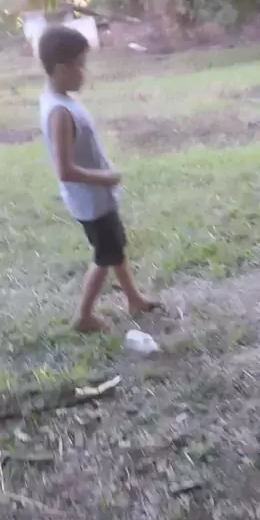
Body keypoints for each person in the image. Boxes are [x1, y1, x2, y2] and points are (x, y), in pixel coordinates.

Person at [38, 24, 162, 332]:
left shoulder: (61, 100)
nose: (85, 72)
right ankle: (84, 316)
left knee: (114, 249)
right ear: (62, 69)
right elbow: (65, 170)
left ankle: (134, 298)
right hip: (91, 200)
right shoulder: (59, 113)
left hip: (94, 197)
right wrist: (105, 178)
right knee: (105, 256)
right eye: (81, 65)